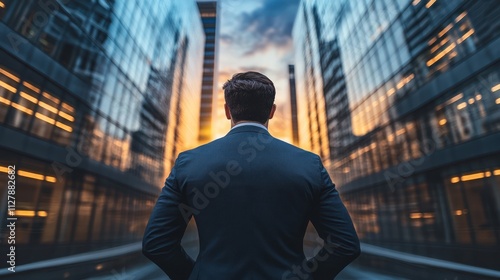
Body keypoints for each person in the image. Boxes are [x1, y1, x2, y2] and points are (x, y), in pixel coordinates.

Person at [142, 71, 360, 280]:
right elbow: (344, 244)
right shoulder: (308, 164)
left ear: (228, 111)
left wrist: (198, 275)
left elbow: (157, 243)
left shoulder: (189, 163)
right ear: (271, 111)